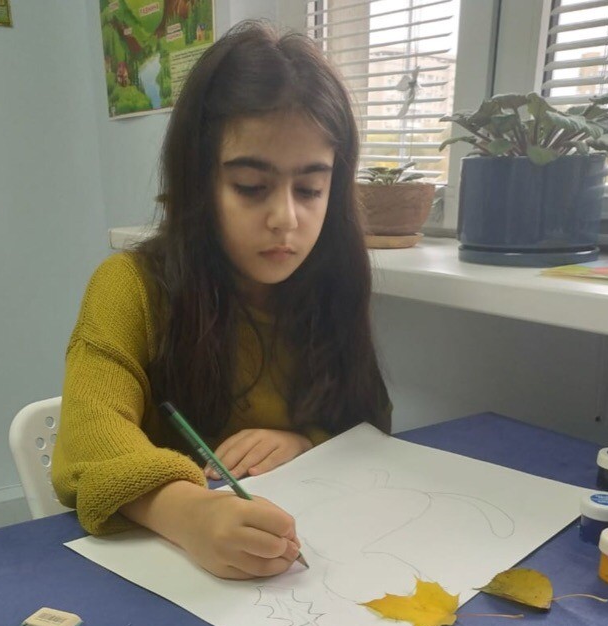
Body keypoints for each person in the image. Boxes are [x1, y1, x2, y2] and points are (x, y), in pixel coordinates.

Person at [53, 20, 391, 580]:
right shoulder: (130, 287)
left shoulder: (330, 285)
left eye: (311, 189)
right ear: (199, 182)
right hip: (160, 572)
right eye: (251, 187)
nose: (286, 218)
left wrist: (304, 441)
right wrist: (190, 513)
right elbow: (87, 441)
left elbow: (368, 421)